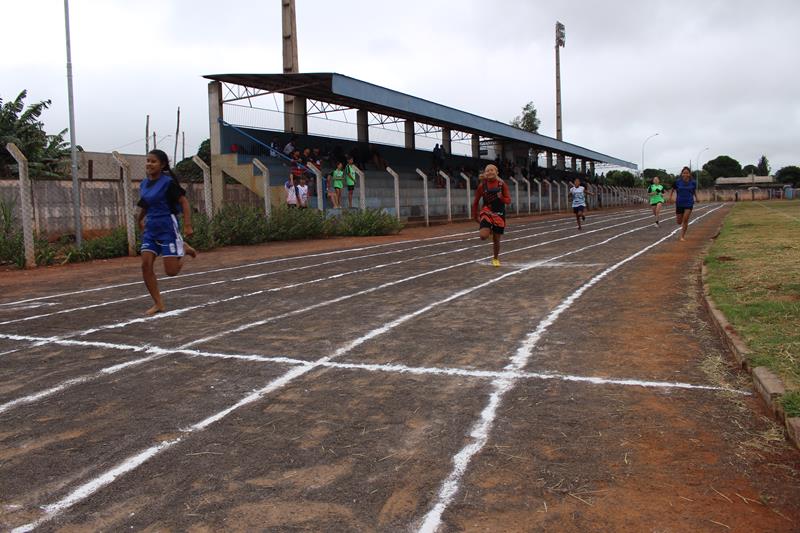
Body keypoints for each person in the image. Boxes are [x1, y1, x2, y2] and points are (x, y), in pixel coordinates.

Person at [136, 149, 196, 316]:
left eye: (153, 161)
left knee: (171, 272)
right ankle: (158, 303)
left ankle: (183, 248)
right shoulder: (144, 184)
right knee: (145, 265)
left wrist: (187, 225)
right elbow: (145, 204)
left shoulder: (168, 183)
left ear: (162, 165)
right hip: (151, 230)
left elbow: (184, 203)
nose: (149, 164)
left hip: (167, 227)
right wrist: (139, 220)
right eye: (148, 160)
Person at [472, 164, 511, 267]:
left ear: (496, 172)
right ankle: (488, 229)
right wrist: (475, 216)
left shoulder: (502, 185)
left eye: (491, 170)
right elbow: (476, 202)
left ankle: (495, 259)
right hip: (486, 212)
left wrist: (501, 197)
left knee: (496, 239)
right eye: (487, 170)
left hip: (499, 214)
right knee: (483, 236)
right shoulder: (482, 186)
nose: (489, 172)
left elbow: (508, 201)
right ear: (485, 173)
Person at [669, 166, 699, 241]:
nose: (685, 174)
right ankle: (681, 224)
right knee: (679, 222)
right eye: (684, 173)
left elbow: (694, 191)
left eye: (687, 173)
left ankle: (682, 236)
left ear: (689, 174)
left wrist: (697, 198)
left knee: (685, 220)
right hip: (679, 203)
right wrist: (670, 197)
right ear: (681, 174)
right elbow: (672, 190)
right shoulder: (677, 182)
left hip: (689, 202)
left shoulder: (693, 182)